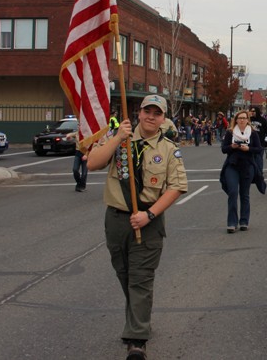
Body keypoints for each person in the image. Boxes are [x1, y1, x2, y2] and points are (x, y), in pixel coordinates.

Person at [86, 94, 187, 360]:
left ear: (163, 118)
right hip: (117, 221)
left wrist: (149, 215)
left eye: (157, 113)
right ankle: (139, 320)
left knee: (141, 280)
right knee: (126, 276)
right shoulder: (120, 139)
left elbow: (177, 187)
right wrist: (118, 138)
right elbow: (93, 163)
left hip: (148, 223)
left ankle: (136, 340)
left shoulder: (168, 149)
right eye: (147, 111)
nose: (151, 117)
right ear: (139, 113)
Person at [220, 109, 263, 233]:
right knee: (233, 192)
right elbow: (224, 149)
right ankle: (232, 223)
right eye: (240, 118)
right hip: (232, 165)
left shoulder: (253, 133)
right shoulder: (230, 133)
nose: (242, 120)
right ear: (236, 120)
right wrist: (232, 147)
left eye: (244, 118)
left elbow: (259, 149)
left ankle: (244, 221)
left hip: (247, 165)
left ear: (247, 120)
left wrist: (248, 149)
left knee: (244, 194)